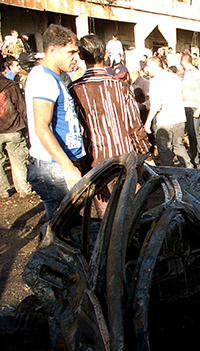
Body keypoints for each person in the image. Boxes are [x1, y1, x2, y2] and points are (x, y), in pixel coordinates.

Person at [68, 35, 151, 215]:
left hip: (95, 163)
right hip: (124, 159)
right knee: (134, 211)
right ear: (106, 54)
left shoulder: (74, 89)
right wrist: (146, 153)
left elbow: (74, 130)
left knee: (107, 218)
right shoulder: (120, 86)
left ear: (81, 56)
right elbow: (134, 126)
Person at [24, 24, 85, 220]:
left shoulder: (55, 77)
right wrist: (67, 167)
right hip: (54, 167)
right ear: (52, 50)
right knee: (63, 229)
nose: (75, 57)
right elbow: (41, 127)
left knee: (67, 226)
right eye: (70, 52)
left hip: (58, 164)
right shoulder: (44, 79)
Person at [144, 56, 191, 168]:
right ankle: (189, 169)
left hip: (165, 120)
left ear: (154, 66)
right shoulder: (174, 77)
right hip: (179, 118)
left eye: (148, 67)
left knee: (165, 151)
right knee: (179, 146)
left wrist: (147, 122)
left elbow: (156, 105)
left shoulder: (155, 81)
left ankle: (170, 174)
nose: (147, 69)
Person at [0, 60, 32, 197]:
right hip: (13, 127)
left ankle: (3, 190)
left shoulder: (11, 84)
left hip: (9, 127)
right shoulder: (10, 85)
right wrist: (25, 128)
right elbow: (21, 107)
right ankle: (23, 189)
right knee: (18, 159)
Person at [180, 53, 200, 167]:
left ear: (184, 62)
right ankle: (194, 157)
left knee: (194, 133)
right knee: (191, 134)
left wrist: (198, 108)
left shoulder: (195, 73)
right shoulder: (187, 74)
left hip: (194, 106)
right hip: (187, 105)